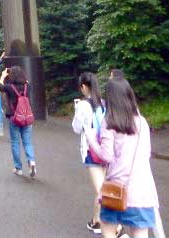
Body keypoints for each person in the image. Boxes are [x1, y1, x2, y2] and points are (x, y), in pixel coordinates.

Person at [84, 77, 159, 238]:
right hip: (142, 191)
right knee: (140, 233)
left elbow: (106, 156)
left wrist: (91, 138)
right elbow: (146, 154)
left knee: (107, 227)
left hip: (115, 190)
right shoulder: (142, 122)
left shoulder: (109, 123)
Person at [72, 71, 107, 234]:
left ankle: (113, 226)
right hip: (106, 149)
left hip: (91, 151)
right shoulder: (104, 103)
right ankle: (96, 221)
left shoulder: (83, 105)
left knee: (102, 189)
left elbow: (76, 128)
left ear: (84, 86)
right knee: (102, 187)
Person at [0, 65, 37, 178]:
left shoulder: (10, 87)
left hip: (14, 117)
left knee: (15, 142)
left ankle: (18, 168)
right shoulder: (27, 86)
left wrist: (3, 76)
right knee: (28, 142)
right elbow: (28, 82)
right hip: (27, 118)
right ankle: (32, 162)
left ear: (11, 76)